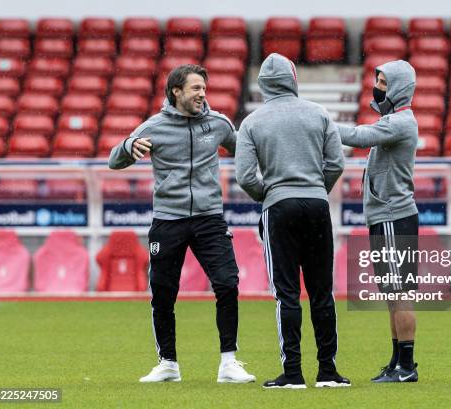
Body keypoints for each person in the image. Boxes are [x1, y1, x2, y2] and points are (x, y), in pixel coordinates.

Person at [109, 64, 255, 384]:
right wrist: (127, 148)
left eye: (204, 88)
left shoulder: (218, 124)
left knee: (228, 283)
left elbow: (244, 148)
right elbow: (113, 160)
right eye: (195, 89)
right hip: (167, 220)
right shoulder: (154, 126)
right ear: (176, 91)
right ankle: (168, 363)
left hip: (209, 218)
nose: (202, 94)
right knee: (163, 293)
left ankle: (229, 362)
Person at [236, 53, 349, 389]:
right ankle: (328, 371)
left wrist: (267, 194)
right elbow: (336, 163)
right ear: (293, 79)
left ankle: (293, 373)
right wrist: (317, 189)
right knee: (322, 292)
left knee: (286, 293)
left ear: (263, 85)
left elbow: (244, 175)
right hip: (316, 205)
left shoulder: (253, 121)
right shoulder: (320, 114)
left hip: (279, 209)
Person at [337, 60, 420, 383]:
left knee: (400, 293)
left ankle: (407, 366)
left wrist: (319, 124)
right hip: (387, 217)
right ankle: (397, 362)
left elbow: (358, 137)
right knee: (392, 293)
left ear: (399, 87)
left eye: (384, 82)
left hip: (392, 217)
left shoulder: (398, 122)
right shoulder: (393, 121)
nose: (378, 88)